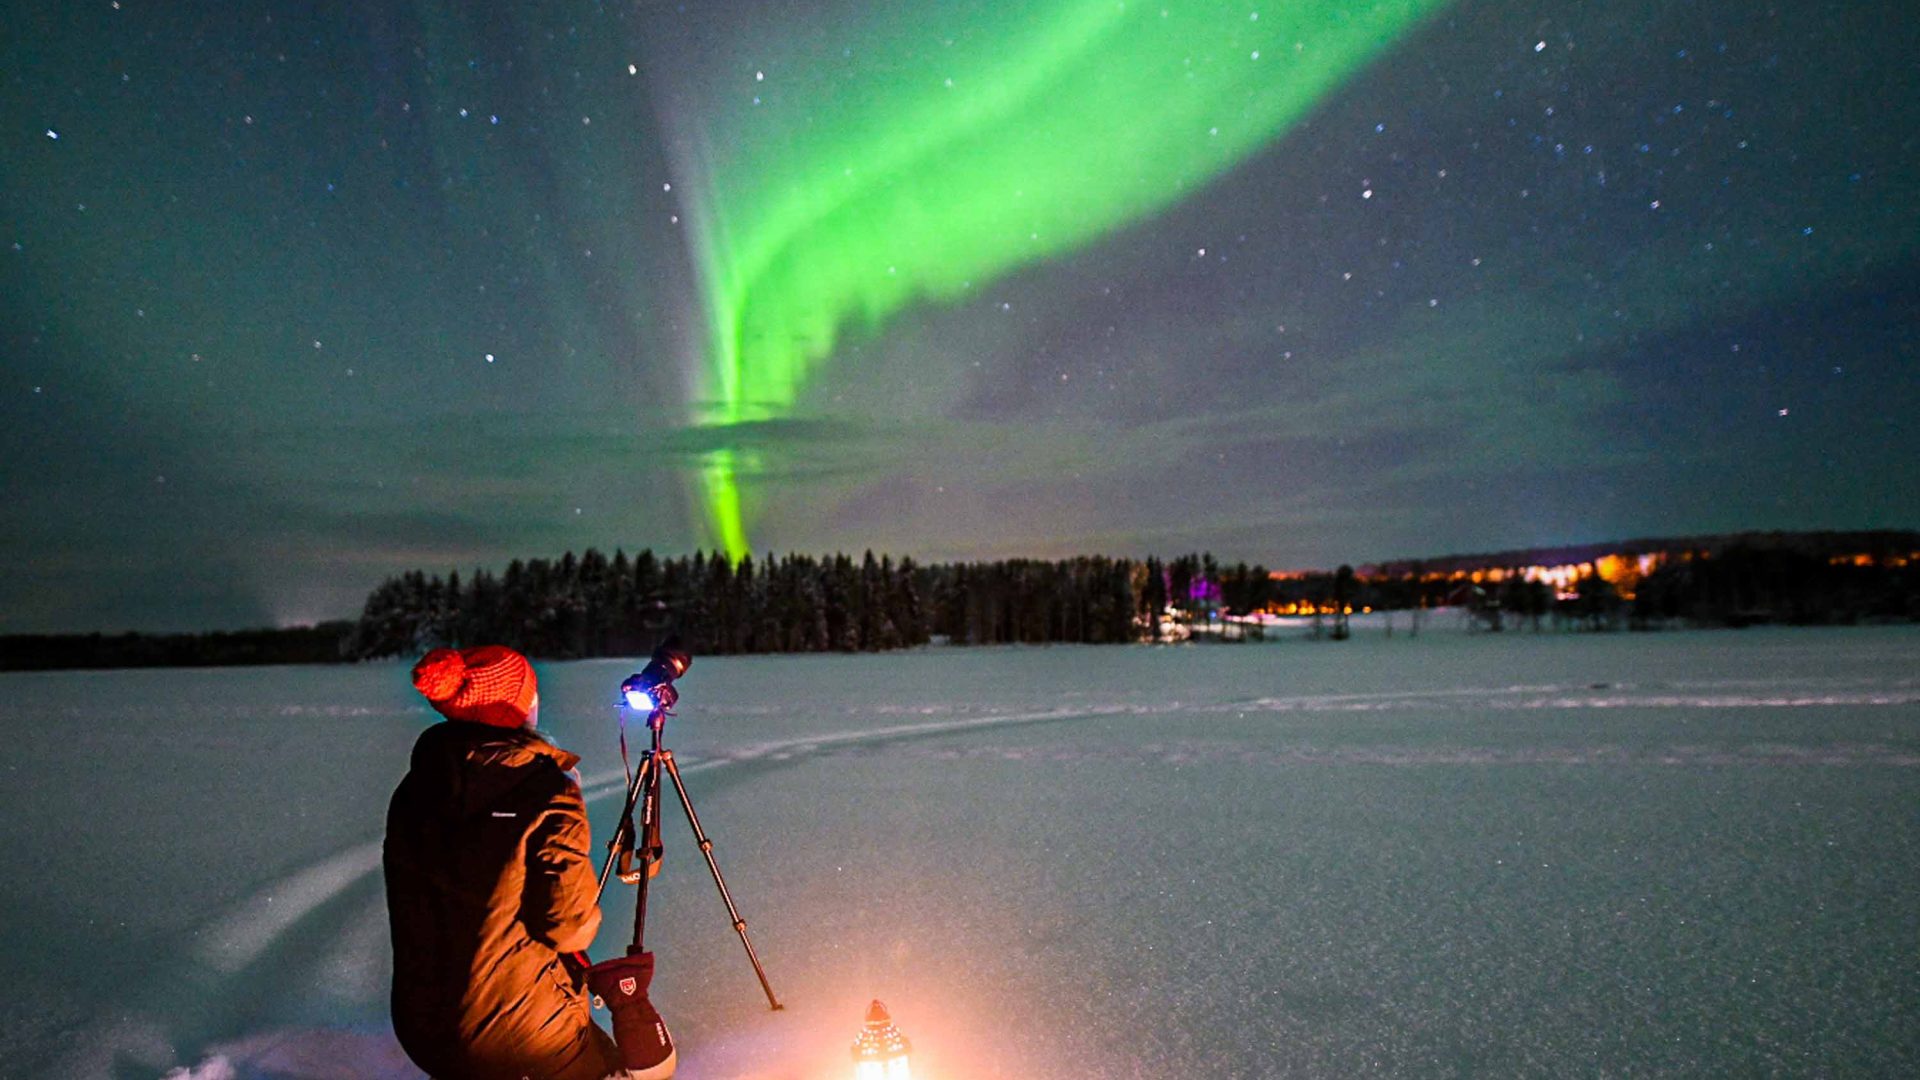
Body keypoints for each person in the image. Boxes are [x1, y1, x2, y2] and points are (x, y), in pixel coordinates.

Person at [385, 645, 639, 1080]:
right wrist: (565, 804)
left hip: (420, 1026)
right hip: (517, 1037)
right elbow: (570, 927)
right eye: (531, 695)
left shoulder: (415, 787)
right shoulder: (547, 794)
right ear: (514, 708)